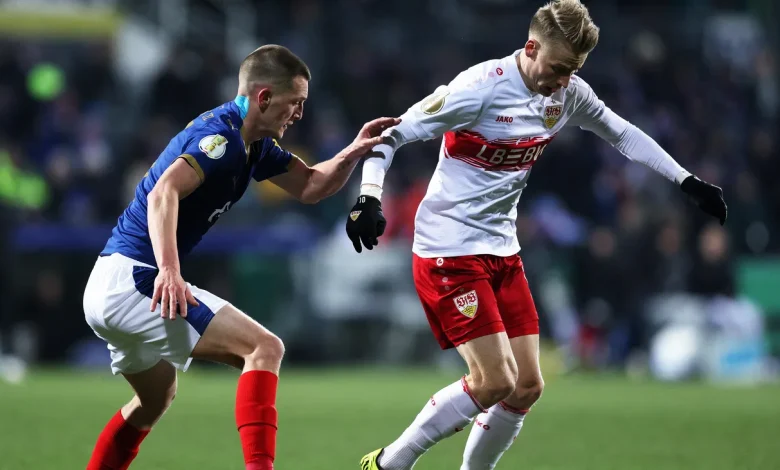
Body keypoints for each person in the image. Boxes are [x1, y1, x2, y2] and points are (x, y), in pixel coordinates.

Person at [346, 1, 727, 469]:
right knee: (494, 381)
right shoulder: (478, 88)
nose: (563, 81)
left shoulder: (567, 94)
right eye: (559, 68)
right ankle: (388, 464)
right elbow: (389, 135)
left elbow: (624, 134)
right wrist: (368, 197)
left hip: (502, 250)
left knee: (526, 386)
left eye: (573, 71)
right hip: (449, 249)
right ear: (530, 48)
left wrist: (686, 181)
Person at [83, 44, 398, 470]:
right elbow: (163, 193)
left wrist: (353, 151)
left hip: (111, 284)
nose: (299, 113)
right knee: (264, 348)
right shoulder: (221, 138)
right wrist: (170, 271)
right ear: (264, 97)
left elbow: (310, 186)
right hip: (136, 279)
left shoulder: (256, 145)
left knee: (154, 400)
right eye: (295, 102)